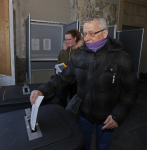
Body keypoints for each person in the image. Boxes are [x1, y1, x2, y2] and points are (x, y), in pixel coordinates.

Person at [30, 15, 139, 150]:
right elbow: (62, 78)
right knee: (82, 144)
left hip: (107, 117)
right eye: (85, 34)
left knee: (102, 146)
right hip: (83, 114)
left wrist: (119, 114)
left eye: (91, 33)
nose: (86, 38)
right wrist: (42, 90)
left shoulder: (122, 58)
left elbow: (132, 90)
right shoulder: (78, 56)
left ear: (105, 33)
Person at [54, 28, 84, 108]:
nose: (66, 42)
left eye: (69, 39)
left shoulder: (80, 52)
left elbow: (82, 68)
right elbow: (58, 61)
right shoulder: (64, 50)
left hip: (74, 81)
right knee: (62, 99)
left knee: (73, 100)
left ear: (75, 39)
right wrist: (57, 69)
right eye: (65, 39)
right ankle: (61, 114)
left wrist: (70, 69)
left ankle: (72, 117)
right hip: (63, 79)